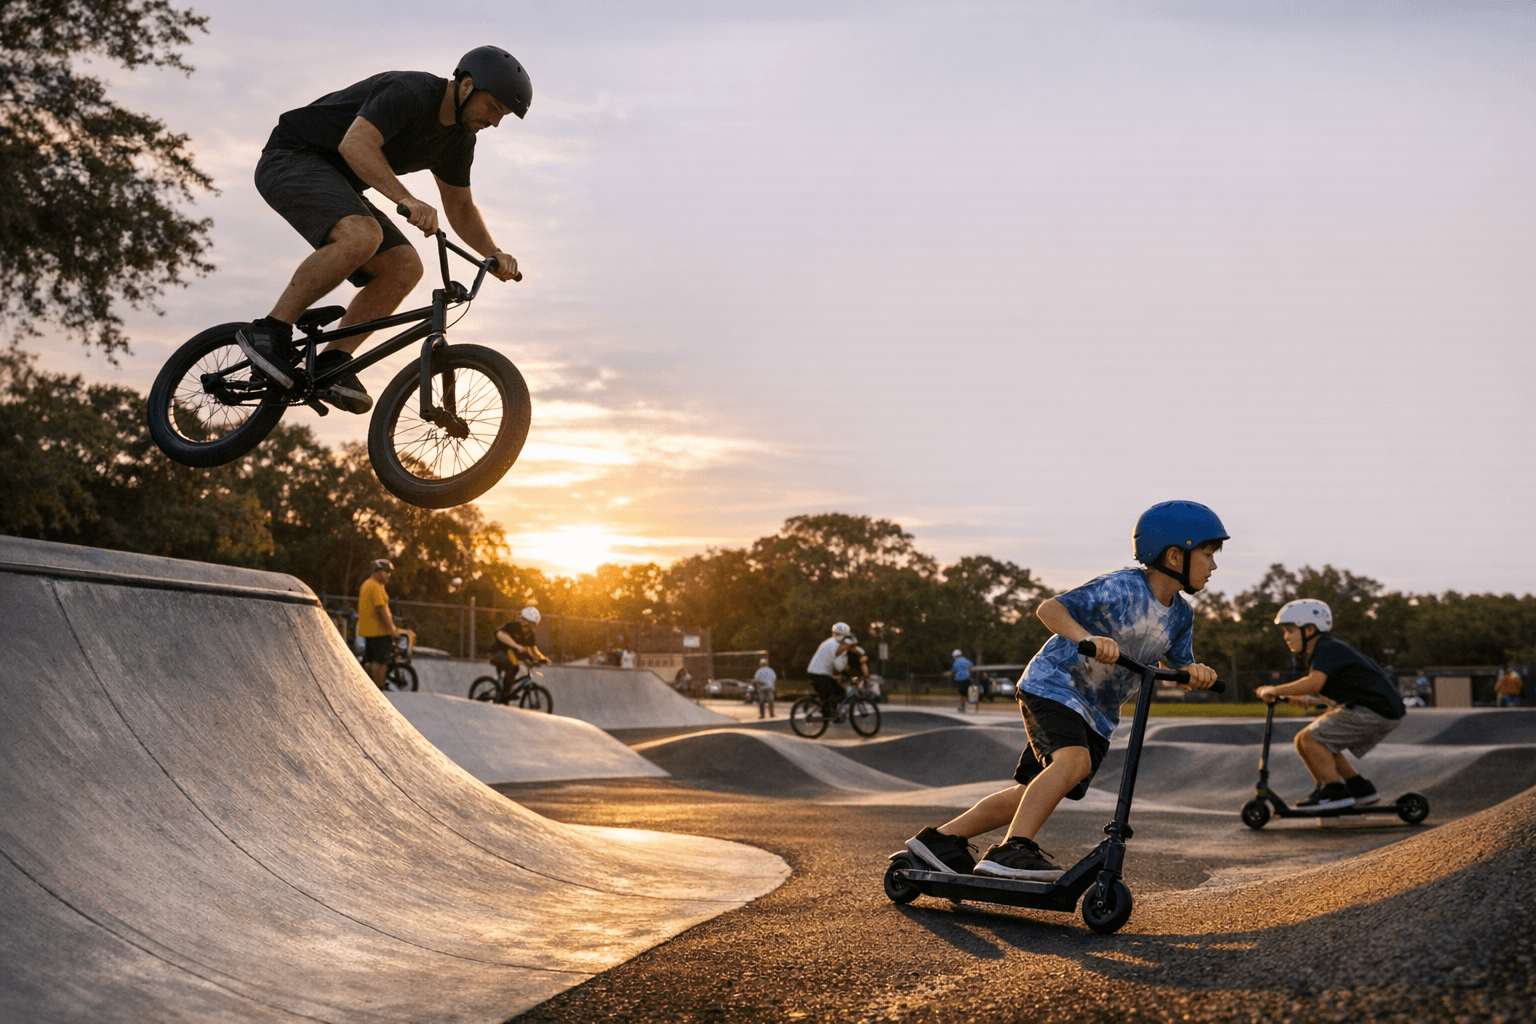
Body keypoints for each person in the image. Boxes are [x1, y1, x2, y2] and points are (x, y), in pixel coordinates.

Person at [905, 501, 1223, 880]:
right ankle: (1012, 850)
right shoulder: (1122, 587)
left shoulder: (1182, 615)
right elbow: (1050, 609)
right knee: (1074, 764)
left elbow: (1177, 661)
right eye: (1207, 555)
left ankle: (939, 840)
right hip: (1054, 686)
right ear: (1175, 554)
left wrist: (1194, 671)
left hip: (1097, 711)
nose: (1214, 566)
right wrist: (1088, 637)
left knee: (1032, 791)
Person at [235, 46, 531, 412]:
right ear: (467, 86)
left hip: (342, 182)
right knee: (363, 234)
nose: (495, 122)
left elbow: (461, 208)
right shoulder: (410, 92)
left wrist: (493, 253)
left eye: (502, 116)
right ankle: (271, 330)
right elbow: (355, 143)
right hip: (292, 156)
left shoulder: (459, 141)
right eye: (494, 109)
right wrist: (407, 198)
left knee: (405, 267)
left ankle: (332, 362)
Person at [1256, 598, 1405, 810]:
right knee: (1309, 741)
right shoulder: (1328, 650)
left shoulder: (1326, 648)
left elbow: (1314, 682)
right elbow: (1333, 690)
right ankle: (1360, 789)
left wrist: (1274, 690)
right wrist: (1298, 699)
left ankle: (1334, 792)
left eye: (1290, 630)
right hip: (1376, 708)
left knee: (1312, 739)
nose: (1286, 637)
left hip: (1373, 709)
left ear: (1308, 629)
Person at [357, 558, 400, 689]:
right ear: (380, 572)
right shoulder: (376, 586)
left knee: (369, 660)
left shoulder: (366, 584)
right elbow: (381, 610)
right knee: (380, 661)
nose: (388, 576)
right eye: (387, 572)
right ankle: (378, 688)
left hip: (369, 631)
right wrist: (392, 631)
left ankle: (365, 688)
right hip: (379, 632)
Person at [806, 622, 859, 715]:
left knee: (835, 692)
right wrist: (846, 673)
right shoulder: (836, 646)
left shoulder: (829, 641)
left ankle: (832, 712)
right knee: (834, 693)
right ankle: (826, 712)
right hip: (818, 673)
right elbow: (838, 667)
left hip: (818, 672)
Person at [491, 606, 548, 680]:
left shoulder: (530, 635)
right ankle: (506, 691)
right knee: (513, 667)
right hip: (497, 652)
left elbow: (532, 650)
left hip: (511, 654)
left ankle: (510, 689)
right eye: (523, 618)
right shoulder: (512, 626)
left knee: (516, 669)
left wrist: (541, 659)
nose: (521, 620)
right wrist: (516, 646)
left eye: (532, 623)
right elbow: (499, 634)